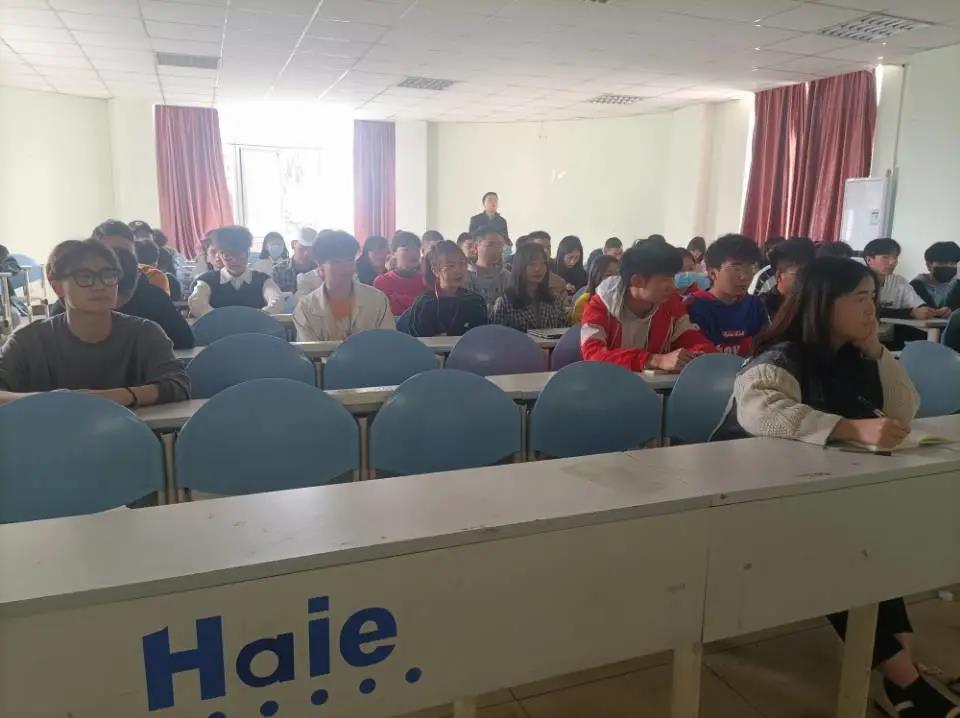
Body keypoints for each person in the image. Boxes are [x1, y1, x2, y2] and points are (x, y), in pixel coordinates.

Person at [711, 257, 960, 718]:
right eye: (859, 298)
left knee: (872, 541)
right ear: (823, 304)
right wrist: (849, 427)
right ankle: (905, 680)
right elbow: (762, 412)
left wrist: (877, 351)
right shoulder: (781, 356)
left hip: (813, 493)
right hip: (746, 502)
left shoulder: (854, 354)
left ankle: (901, 673)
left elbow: (903, 409)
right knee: (837, 549)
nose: (871, 309)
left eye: (873, 298)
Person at [0, 239, 189, 406]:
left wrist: (116, 397)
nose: (99, 286)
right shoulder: (27, 342)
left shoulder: (145, 333)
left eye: (108, 275)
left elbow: (178, 384)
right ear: (58, 287)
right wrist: (57, 401)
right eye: (85, 277)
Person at [581, 240, 715, 372]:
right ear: (637, 281)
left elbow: (694, 340)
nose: (673, 286)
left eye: (673, 278)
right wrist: (654, 360)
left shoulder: (671, 302)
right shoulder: (600, 305)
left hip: (656, 386)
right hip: (607, 384)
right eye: (665, 279)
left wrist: (697, 357)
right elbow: (593, 355)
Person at [67, 220, 194, 349]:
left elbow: (184, 341)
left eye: (125, 253)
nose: (117, 259)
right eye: (110, 253)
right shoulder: (77, 298)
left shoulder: (153, 298)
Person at [292, 231, 394, 341]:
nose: (345, 268)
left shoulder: (377, 300)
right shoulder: (305, 309)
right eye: (336, 262)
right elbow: (308, 350)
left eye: (349, 260)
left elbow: (389, 343)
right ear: (321, 267)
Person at [687, 234, 767, 357]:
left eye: (751, 267)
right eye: (737, 268)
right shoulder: (694, 305)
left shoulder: (755, 305)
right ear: (713, 273)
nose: (745, 276)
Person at [188, 225, 284, 317]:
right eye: (228, 255)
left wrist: (258, 317)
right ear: (220, 255)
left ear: (248, 253)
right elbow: (197, 303)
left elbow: (277, 301)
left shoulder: (263, 280)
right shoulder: (206, 281)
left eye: (240, 254)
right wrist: (219, 319)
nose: (235, 260)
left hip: (255, 327)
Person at [408, 240, 487, 337]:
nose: (458, 270)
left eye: (462, 263)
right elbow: (418, 340)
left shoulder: (474, 301)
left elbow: (482, 337)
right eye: (451, 265)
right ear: (435, 270)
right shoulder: (424, 304)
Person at [863, 238, 946, 327]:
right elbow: (867, 310)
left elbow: (918, 304)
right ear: (869, 260)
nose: (892, 262)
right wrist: (910, 313)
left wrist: (935, 312)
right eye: (885, 257)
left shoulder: (899, 281)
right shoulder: (859, 282)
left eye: (895, 257)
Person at [491, 243, 570, 331]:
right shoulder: (505, 303)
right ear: (520, 267)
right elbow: (497, 336)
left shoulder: (554, 299)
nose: (538, 268)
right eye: (532, 264)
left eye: (543, 263)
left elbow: (564, 332)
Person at [760, 237, 816, 319]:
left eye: (810, 274)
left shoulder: (813, 305)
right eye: (800, 274)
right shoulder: (762, 308)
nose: (807, 279)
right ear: (779, 276)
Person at [374, 231, 427, 316]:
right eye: (406, 249)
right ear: (394, 252)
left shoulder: (425, 281)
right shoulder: (382, 281)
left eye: (416, 249)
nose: (413, 253)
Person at [466, 226, 510, 311]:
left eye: (500, 245)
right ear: (475, 247)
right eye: (490, 245)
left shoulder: (506, 276)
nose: (497, 250)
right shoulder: (465, 276)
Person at [911, 241, 960, 311]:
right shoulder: (915, 287)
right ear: (929, 264)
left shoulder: (957, 285)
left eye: (953, 263)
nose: (948, 266)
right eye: (943, 262)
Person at [571, 254, 620, 323]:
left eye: (618, 274)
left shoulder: (623, 300)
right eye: (608, 275)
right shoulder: (584, 301)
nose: (615, 278)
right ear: (596, 276)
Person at [525, 231, 568, 298]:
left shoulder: (558, 283)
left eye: (548, 248)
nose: (546, 251)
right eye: (541, 248)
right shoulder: (515, 279)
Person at [276, 227, 319, 295]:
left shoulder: (321, 271)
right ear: (293, 244)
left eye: (311, 249)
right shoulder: (278, 271)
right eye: (303, 248)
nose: (307, 253)